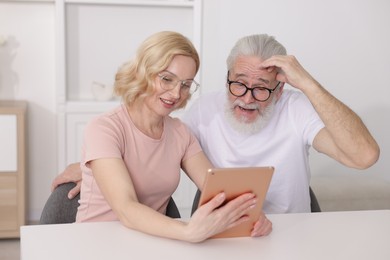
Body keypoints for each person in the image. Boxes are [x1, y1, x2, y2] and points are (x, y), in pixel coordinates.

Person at [53, 33, 380, 214]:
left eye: (262, 89)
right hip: (226, 228)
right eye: (238, 83)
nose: (247, 97)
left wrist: (308, 83)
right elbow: (150, 148)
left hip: (289, 228)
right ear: (226, 78)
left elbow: (364, 156)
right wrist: (90, 166)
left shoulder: (296, 107)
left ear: (280, 89)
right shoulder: (200, 112)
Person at [60, 31, 271, 243]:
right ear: (143, 72)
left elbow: (218, 188)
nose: (176, 93)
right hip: (95, 244)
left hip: (151, 244)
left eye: (186, 84)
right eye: (167, 79)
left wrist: (250, 214)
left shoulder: (181, 133)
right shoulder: (104, 128)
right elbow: (126, 208)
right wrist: (188, 231)